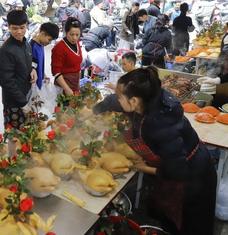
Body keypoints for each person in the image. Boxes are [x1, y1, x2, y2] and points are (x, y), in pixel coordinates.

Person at [91, 66, 216, 235]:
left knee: (190, 227)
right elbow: (112, 101)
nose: (117, 99)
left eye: (121, 97)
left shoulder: (161, 123)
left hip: (194, 175)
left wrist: (144, 168)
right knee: (169, 221)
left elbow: (177, 171)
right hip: (175, 165)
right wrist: (92, 112)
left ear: (134, 101)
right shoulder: (147, 98)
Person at [0, 10, 37, 157]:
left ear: (27, 25)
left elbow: (27, 62)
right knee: (14, 136)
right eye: (14, 28)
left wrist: (32, 69)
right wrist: (23, 104)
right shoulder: (5, 51)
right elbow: (7, 82)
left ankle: (25, 160)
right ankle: (13, 163)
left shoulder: (25, 44)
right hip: (13, 102)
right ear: (8, 26)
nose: (19, 32)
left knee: (27, 132)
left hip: (26, 96)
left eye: (22, 28)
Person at [51, 17, 83, 96]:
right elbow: (56, 71)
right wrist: (66, 89)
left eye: (77, 35)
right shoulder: (59, 48)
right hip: (63, 85)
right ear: (66, 32)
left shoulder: (77, 43)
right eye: (71, 34)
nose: (74, 38)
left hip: (75, 83)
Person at [30, 22, 59, 89]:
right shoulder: (32, 47)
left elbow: (39, 65)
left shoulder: (41, 45)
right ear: (42, 33)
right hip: (33, 86)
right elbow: (31, 67)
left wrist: (43, 75)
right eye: (49, 40)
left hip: (40, 84)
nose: (50, 43)